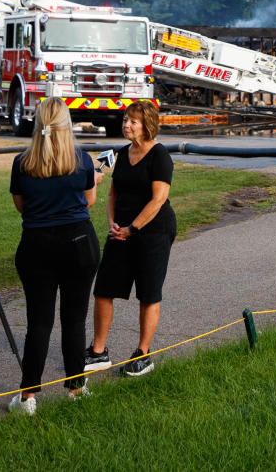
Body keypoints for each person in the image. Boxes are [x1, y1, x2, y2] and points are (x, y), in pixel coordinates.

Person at [7, 98, 101, 415]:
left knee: (39, 323)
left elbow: (22, 206)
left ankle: (28, 397)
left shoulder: (22, 162)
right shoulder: (83, 160)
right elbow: (89, 201)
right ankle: (76, 387)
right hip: (78, 242)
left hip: (36, 245)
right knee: (74, 320)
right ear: (67, 124)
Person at [86, 99, 175, 377]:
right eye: (125, 119)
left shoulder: (160, 156)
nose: (126, 124)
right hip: (121, 231)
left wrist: (132, 228)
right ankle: (98, 352)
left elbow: (158, 200)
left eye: (132, 121)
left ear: (147, 125)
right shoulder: (119, 154)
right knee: (103, 289)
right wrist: (113, 224)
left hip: (153, 231)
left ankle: (143, 354)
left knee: (148, 293)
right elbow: (112, 193)